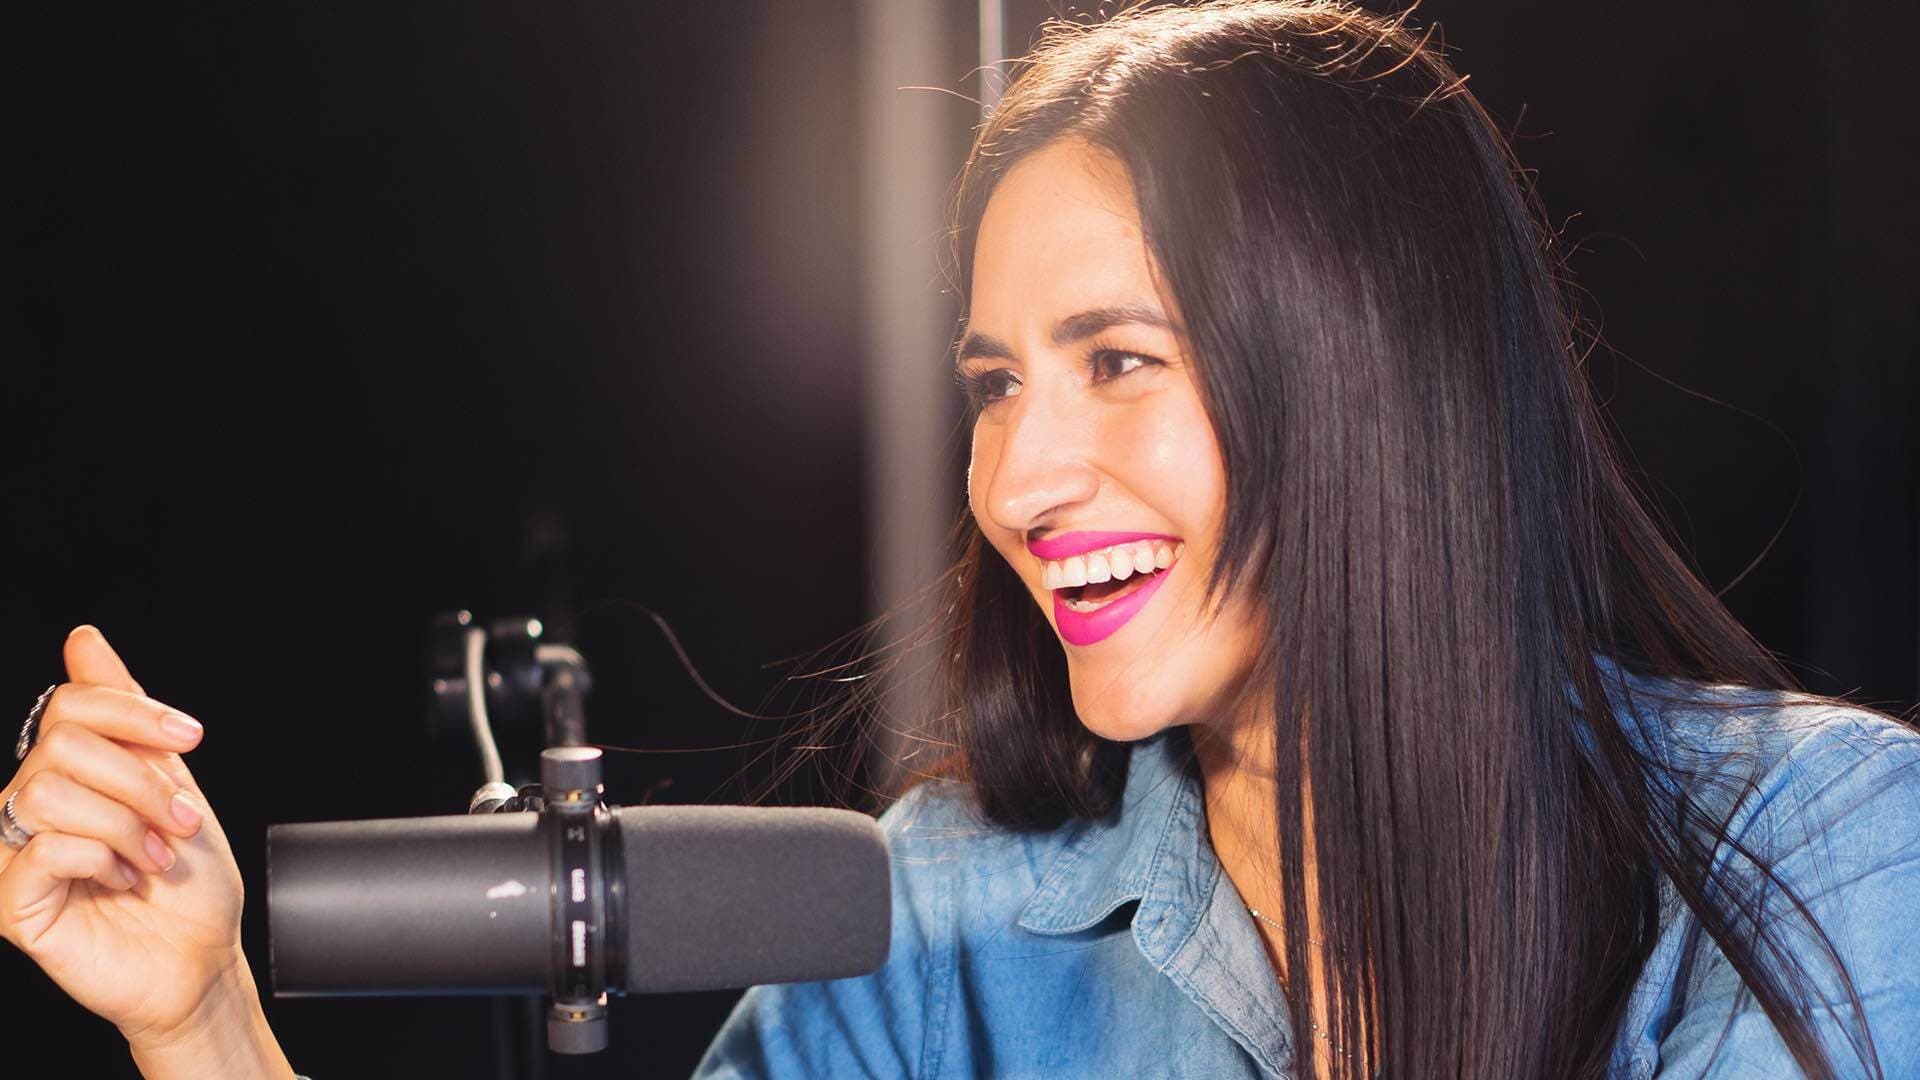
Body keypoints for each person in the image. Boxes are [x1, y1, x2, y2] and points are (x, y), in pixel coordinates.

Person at [3, 2, 1915, 1078]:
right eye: (998, 382)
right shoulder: (930, 920)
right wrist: (203, 1016)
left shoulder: (1832, 858)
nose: (1017, 479)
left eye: (1119, 362)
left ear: (1367, 373)